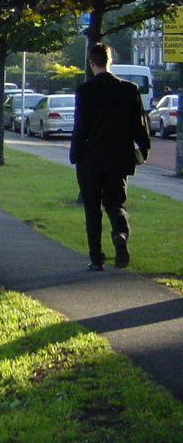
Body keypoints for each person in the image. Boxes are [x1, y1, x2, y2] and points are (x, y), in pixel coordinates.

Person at [69, 43, 151, 272]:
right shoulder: (129, 89)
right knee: (116, 203)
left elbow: (81, 126)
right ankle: (121, 234)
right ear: (110, 61)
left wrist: (74, 155)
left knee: (92, 209)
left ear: (91, 63)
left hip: (90, 157)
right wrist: (144, 149)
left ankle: (96, 258)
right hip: (119, 156)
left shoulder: (84, 91)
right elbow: (139, 125)